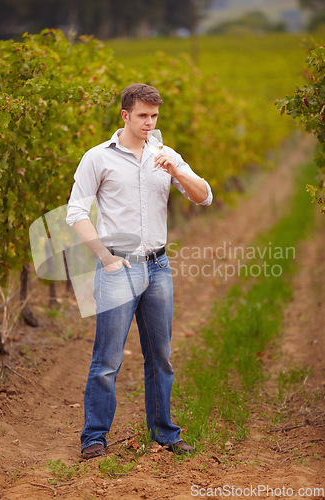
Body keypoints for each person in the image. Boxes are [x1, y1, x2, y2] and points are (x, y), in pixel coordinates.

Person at [66, 83, 213, 460]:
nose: (149, 123)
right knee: (107, 361)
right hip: (118, 266)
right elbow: (76, 213)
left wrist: (177, 171)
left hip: (158, 266)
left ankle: (164, 432)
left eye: (154, 116)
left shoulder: (166, 155)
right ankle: (94, 438)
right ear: (125, 115)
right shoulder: (97, 158)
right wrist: (106, 258)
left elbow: (204, 196)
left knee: (160, 356)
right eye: (143, 115)